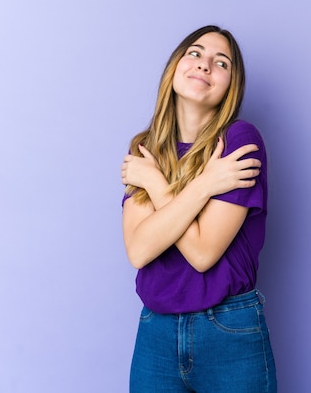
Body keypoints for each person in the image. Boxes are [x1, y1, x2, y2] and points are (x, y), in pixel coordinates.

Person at [120, 25, 277, 392]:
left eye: (220, 63)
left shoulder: (238, 141)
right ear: (175, 65)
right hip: (155, 333)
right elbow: (140, 250)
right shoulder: (146, 150)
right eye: (195, 53)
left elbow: (203, 253)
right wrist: (207, 184)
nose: (204, 65)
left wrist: (157, 183)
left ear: (230, 86)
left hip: (228, 331)